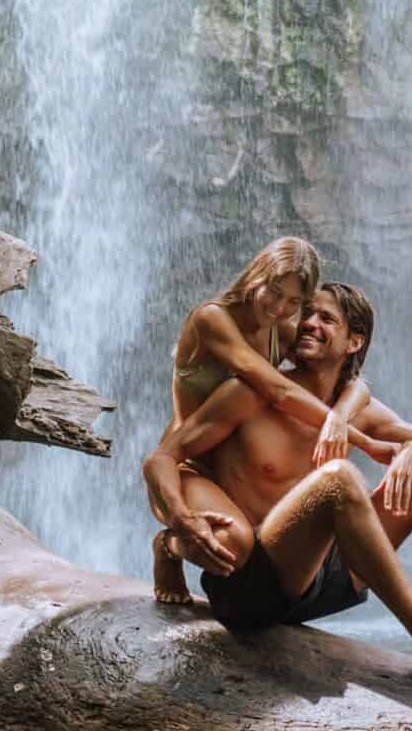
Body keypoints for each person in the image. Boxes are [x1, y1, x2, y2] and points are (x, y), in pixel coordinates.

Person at [143, 282, 412, 694]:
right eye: (308, 314)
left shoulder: (358, 409)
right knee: (339, 479)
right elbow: (168, 455)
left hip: (325, 580)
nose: (310, 324)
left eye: (326, 318)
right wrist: (181, 519)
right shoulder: (253, 392)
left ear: (354, 341)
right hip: (248, 583)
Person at [153, 238, 373, 604]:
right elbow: (277, 390)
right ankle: (168, 547)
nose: (280, 307)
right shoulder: (211, 319)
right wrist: (349, 431)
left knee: (252, 550)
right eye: (274, 292)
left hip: (231, 467)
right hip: (188, 463)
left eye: (294, 303)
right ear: (257, 273)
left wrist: (340, 414)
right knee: (233, 545)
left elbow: (354, 381)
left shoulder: (280, 328)